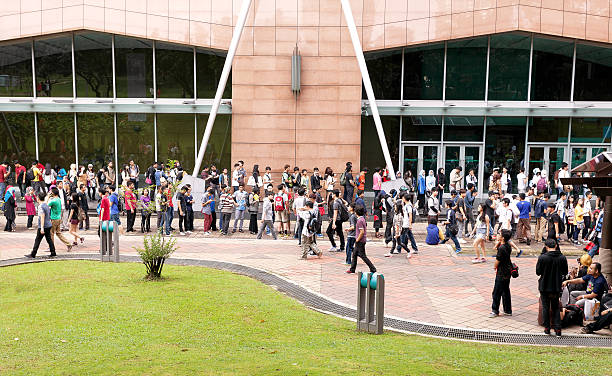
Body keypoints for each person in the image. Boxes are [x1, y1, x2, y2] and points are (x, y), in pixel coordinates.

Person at [536, 238, 568, 337]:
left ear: (546, 246)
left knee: (546, 307)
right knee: (556, 308)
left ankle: (547, 328)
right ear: (556, 246)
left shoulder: (542, 258)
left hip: (544, 286)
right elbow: (565, 272)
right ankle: (558, 329)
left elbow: (538, 272)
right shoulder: (562, 257)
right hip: (556, 286)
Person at [25, 192, 56, 258]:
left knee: (38, 240)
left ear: (38, 198)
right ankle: (53, 252)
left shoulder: (40, 207)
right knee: (49, 239)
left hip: (43, 226)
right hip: (48, 225)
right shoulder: (46, 205)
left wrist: (41, 228)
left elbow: (42, 216)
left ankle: (33, 254)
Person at [489, 230, 513, 318]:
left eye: (499, 234)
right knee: (505, 290)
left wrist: (494, 267)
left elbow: (497, 260)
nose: (497, 235)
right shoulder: (507, 246)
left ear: (503, 237)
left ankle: (495, 310)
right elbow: (495, 248)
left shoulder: (502, 248)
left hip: (501, 272)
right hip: (508, 271)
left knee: (496, 292)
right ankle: (507, 310)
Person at [346, 205, 376, 274]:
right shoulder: (362, 219)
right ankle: (352, 269)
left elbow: (361, 232)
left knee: (363, 256)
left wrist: (357, 240)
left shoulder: (359, 221)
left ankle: (373, 268)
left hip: (360, 241)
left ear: (356, 212)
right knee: (355, 254)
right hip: (360, 240)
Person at [48, 187, 73, 251]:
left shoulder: (53, 201)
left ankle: (51, 247)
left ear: (53, 193)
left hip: (54, 218)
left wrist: (48, 197)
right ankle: (68, 244)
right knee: (58, 233)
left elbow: (46, 205)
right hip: (58, 218)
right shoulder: (58, 199)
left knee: (51, 233)